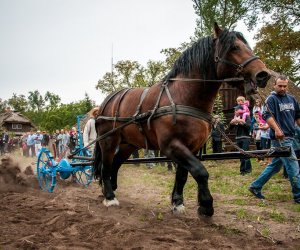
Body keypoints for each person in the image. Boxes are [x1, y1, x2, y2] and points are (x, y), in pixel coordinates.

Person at [249, 75, 300, 204]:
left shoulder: (292, 99)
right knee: (293, 167)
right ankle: (298, 195)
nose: (282, 88)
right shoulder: (272, 99)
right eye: (280, 86)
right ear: (274, 85)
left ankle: (255, 186)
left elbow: (298, 116)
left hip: (291, 137)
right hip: (281, 139)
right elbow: (267, 115)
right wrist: (277, 129)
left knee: (275, 166)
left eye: (284, 86)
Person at [230, 105, 252, 175]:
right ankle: (245, 170)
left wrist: (241, 122)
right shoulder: (235, 118)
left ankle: (246, 170)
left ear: (240, 110)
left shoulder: (246, 116)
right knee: (240, 155)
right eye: (235, 110)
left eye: (236, 110)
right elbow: (230, 129)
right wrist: (231, 123)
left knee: (245, 154)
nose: (235, 111)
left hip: (245, 137)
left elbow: (249, 127)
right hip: (238, 138)